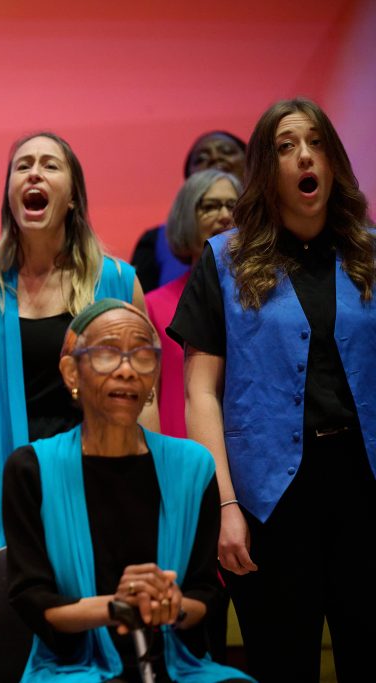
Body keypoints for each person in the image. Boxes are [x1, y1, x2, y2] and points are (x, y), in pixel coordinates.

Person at [169, 98, 376, 681]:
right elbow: (201, 394)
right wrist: (226, 506)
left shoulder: (370, 253)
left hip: (364, 488)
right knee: (282, 664)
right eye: (286, 146)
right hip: (272, 501)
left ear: (332, 161)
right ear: (266, 168)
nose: (304, 156)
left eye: (315, 143)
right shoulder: (224, 259)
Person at [3, 299, 252, 682]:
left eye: (142, 355)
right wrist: (118, 607)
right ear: (71, 372)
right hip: (72, 669)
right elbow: (34, 600)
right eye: (107, 354)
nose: (127, 370)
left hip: (174, 663)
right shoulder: (31, 468)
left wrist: (171, 605)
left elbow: (206, 593)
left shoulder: (193, 467)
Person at [0, 131, 147, 548]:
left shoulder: (117, 281)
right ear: (9, 195)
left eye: (49, 165)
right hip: (7, 499)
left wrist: (145, 498)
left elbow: (142, 407)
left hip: (101, 491)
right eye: (23, 166)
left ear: (73, 197)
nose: (34, 174)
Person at [146, 169, 242, 438]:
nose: (224, 215)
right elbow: (148, 399)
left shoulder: (263, 303)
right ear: (186, 216)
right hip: (180, 455)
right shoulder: (153, 306)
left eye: (232, 206)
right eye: (209, 207)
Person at [130, 131, 247, 293]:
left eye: (227, 152)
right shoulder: (155, 241)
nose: (215, 158)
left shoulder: (278, 229)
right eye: (201, 159)